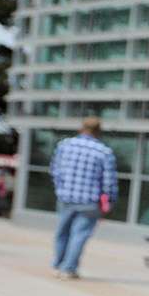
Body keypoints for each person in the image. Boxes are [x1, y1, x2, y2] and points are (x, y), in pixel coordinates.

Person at [47, 116, 118, 279]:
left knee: (62, 232)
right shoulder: (104, 151)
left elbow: (55, 171)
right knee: (79, 235)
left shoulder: (65, 145)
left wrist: (60, 189)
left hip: (66, 197)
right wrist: (110, 201)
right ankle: (68, 268)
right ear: (99, 131)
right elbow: (109, 182)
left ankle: (58, 264)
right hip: (90, 202)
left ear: (82, 128)